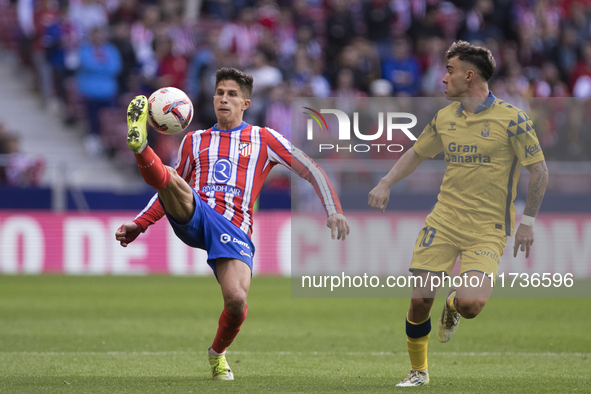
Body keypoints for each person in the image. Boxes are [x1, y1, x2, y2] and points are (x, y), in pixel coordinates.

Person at [115, 67, 350, 380]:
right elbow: (169, 189)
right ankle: (141, 146)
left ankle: (217, 354)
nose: (224, 99)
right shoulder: (194, 140)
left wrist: (332, 208)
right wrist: (140, 224)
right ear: (213, 98)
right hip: (196, 214)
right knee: (170, 176)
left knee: (237, 300)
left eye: (232, 95)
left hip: (235, 229)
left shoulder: (263, 138)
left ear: (245, 104)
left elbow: (311, 169)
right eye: (220, 93)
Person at [368, 41, 548, 387]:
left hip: (488, 228)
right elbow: (417, 153)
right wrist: (386, 182)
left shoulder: (513, 119)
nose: (443, 78)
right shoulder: (445, 117)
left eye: (449, 70)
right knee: (420, 299)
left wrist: (528, 222)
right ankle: (418, 371)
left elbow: (539, 171)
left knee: (471, 304)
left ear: (469, 75)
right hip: (444, 221)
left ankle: (452, 305)